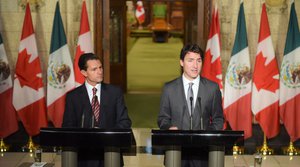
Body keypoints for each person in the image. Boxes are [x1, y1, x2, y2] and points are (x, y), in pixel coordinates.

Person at [157, 44, 224, 167]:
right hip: (176, 152)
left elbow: (218, 119)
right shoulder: (169, 88)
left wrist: (208, 133)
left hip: (202, 154)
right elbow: (162, 119)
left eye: (199, 61)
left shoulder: (212, 88)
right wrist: (168, 127)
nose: (195, 65)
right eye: (190, 60)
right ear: (181, 62)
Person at [62, 53, 131, 167]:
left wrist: (106, 135)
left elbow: (125, 122)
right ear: (84, 72)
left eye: (100, 67)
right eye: (94, 69)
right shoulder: (73, 97)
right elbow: (67, 126)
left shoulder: (115, 92)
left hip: (110, 155)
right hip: (84, 158)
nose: (100, 71)